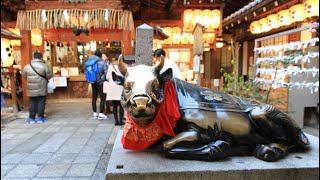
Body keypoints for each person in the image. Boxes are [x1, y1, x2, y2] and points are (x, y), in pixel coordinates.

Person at [22, 52, 53, 124]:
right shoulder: (44, 66)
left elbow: (24, 76)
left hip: (31, 87)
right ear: (41, 57)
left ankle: (31, 118)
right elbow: (49, 76)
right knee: (41, 101)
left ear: (33, 57)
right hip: (42, 86)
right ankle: (40, 117)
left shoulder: (27, 66)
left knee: (32, 102)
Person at [105, 55, 124, 125]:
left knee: (115, 106)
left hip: (112, 88)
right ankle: (121, 121)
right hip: (120, 87)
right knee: (121, 106)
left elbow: (107, 77)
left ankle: (116, 121)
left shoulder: (110, 66)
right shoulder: (123, 66)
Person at [90, 50, 108, 120]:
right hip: (100, 83)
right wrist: (101, 79)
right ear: (100, 56)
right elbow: (106, 73)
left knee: (94, 98)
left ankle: (94, 113)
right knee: (102, 98)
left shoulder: (91, 63)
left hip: (93, 82)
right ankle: (101, 113)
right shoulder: (103, 63)